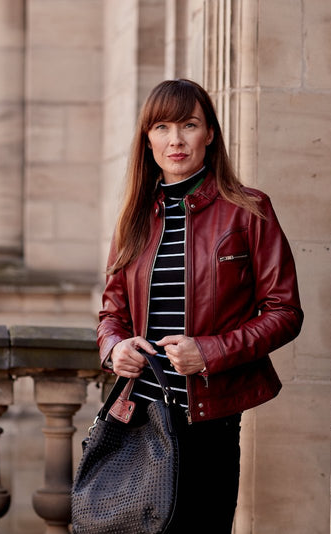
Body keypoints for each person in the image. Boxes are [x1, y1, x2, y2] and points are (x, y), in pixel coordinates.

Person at [97, 78, 304, 533]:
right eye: (163, 127)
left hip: (207, 420)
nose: (175, 140)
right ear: (147, 138)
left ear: (209, 133)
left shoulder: (248, 210)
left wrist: (209, 352)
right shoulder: (133, 217)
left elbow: (285, 311)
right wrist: (115, 348)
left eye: (188, 125)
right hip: (138, 414)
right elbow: (111, 314)